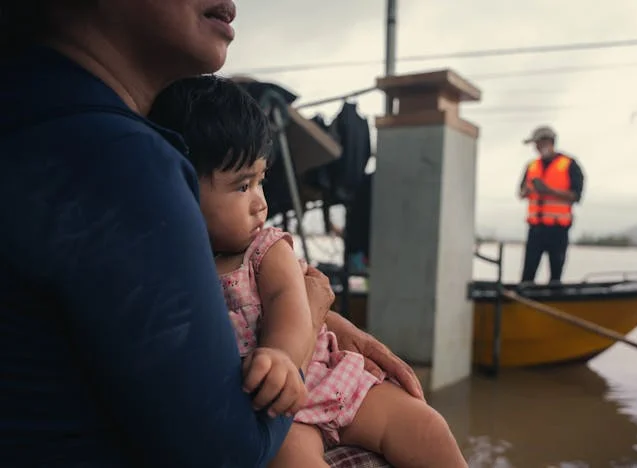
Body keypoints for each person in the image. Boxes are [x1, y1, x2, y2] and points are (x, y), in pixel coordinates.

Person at [0, 2, 422, 466]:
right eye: (241, 184)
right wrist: (305, 330)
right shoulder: (114, 159)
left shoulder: (34, 114)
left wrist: (324, 320)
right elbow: (228, 452)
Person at [148, 75, 467, 468]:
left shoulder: (265, 249)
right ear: (181, 188)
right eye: (241, 186)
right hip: (278, 414)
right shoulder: (174, 268)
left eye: (260, 180)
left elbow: (291, 303)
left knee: (425, 427)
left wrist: (283, 355)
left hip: (325, 376)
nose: (259, 204)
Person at [517, 125, 585, 284]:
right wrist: (526, 191)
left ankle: (554, 300)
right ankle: (523, 302)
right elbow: (520, 193)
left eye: (539, 144)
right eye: (535, 145)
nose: (536, 148)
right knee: (527, 276)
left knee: (555, 278)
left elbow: (576, 196)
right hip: (535, 229)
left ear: (549, 142)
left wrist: (549, 191)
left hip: (558, 230)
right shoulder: (531, 166)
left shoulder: (569, 165)